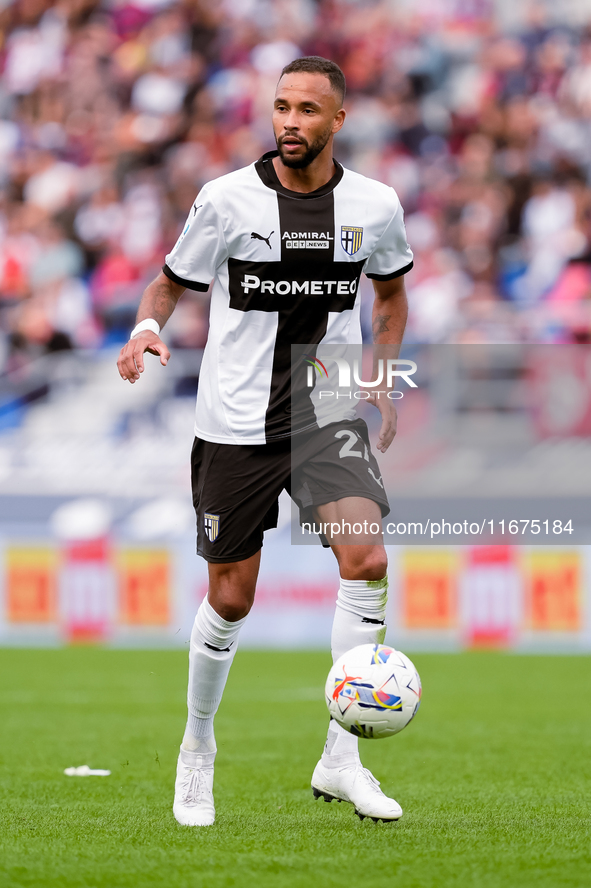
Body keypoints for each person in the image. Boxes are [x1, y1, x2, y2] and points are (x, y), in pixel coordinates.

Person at [117, 56, 413, 826]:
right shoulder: (226, 199)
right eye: (281, 106)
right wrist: (148, 328)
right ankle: (198, 748)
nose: (290, 120)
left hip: (326, 407)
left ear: (337, 121)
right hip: (235, 423)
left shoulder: (374, 205)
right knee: (230, 597)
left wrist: (378, 367)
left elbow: (390, 292)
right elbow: (169, 282)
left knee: (368, 559)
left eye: (308, 109)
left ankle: (341, 759)